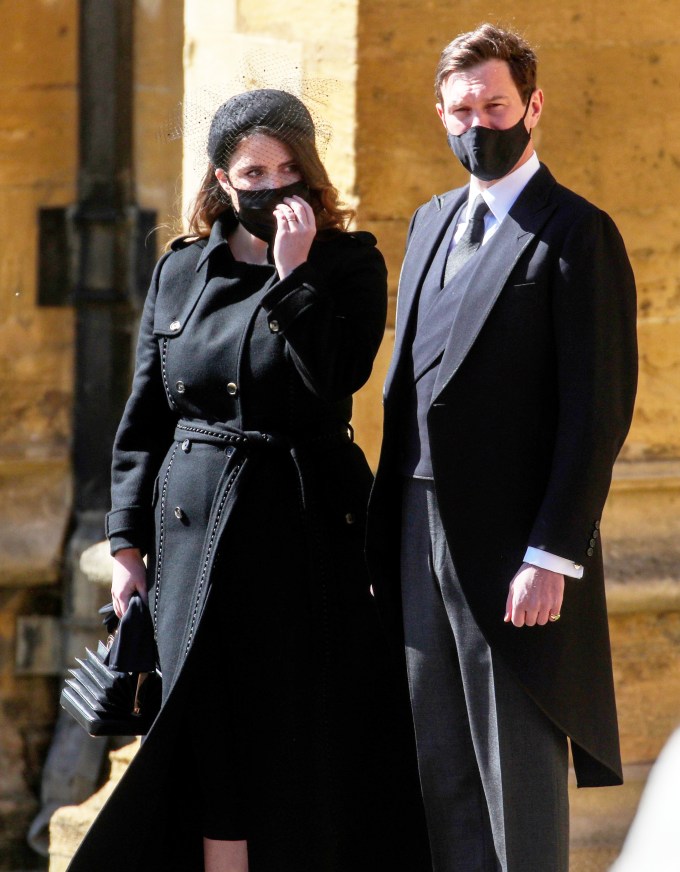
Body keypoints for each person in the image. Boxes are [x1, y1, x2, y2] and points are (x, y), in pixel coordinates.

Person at [67, 88, 429, 872]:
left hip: (302, 539)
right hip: (192, 546)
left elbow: (337, 376)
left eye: (288, 168)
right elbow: (144, 417)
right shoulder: (180, 271)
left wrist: (294, 278)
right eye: (253, 171)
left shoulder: (348, 262)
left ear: (311, 172)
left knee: (299, 735)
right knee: (208, 740)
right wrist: (126, 543)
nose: (272, 186)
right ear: (223, 181)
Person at [366, 24, 638, 872]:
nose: (477, 124)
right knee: (438, 765)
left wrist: (552, 554)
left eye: (494, 105)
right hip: (415, 527)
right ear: (439, 115)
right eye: (460, 110)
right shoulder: (429, 222)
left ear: (533, 106)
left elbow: (597, 411)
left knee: (511, 774)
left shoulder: (577, 234)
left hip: (514, 549)